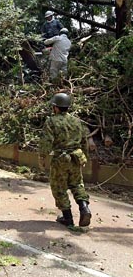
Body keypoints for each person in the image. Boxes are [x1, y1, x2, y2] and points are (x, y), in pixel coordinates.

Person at [38, 93, 92, 228]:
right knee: (77, 184)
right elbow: (84, 141)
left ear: (56, 107)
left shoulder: (51, 121)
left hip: (61, 159)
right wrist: (84, 157)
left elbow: (46, 141)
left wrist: (42, 157)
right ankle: (84, 208)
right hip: (76, 157)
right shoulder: (77, 121)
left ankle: (67, 218)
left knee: (59, 187)